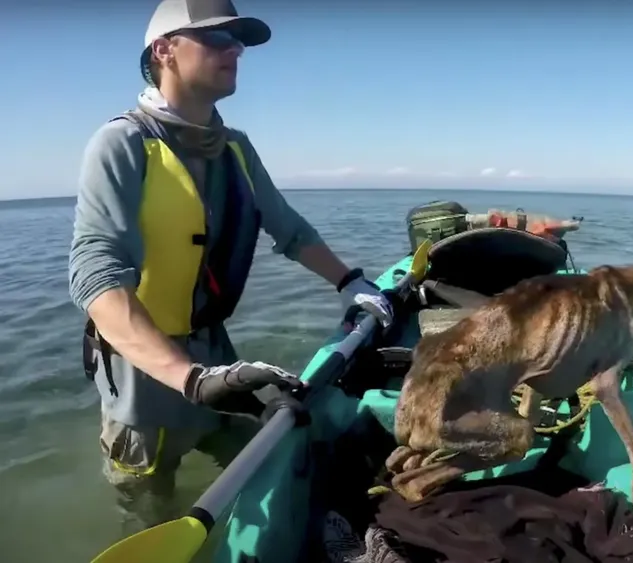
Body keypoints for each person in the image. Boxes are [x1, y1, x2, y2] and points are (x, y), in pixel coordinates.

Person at [67, 0, 393, 530]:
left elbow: (289, 229)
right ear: (164, 50)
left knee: (272, 466)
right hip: (143, 378)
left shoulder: (235, 148)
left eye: (237, 40)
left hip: (216, 353)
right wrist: (189, 379)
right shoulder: (122, 143)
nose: (236, 49)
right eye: (218, 39)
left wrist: (349, 281)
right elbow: (95, 275)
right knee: (150, 510)